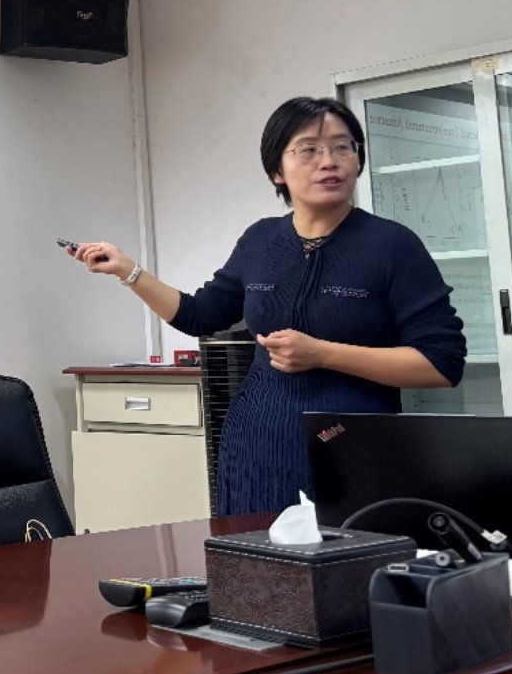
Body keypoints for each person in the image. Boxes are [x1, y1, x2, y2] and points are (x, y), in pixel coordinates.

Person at [66, 96, 466, 516]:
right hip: (255, 444)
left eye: (342, 147)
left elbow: (442, 363)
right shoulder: (260, 239)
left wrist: (323, 354)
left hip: (353, 448)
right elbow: (201, 315)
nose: (329, 161)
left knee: (351, 554)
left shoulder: (392, 245)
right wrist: (129, 271)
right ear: (277, 170)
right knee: (252, 553)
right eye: (309, 150)